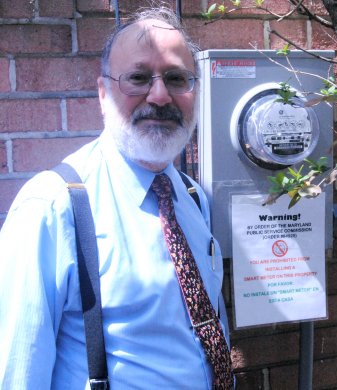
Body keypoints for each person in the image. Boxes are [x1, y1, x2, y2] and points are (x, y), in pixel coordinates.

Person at [0, 7, 233, 389]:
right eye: (138, 78)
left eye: (177, 79)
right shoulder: (53, 206)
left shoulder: (192, 198)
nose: (160, 96)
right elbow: (17, 374)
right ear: (103, 92)